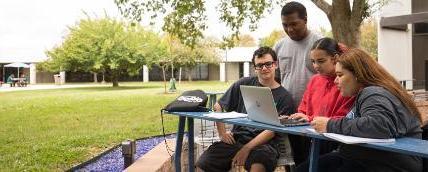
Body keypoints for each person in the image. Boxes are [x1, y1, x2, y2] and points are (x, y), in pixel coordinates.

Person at [300, 48, 424, 172]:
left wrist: (329, 124)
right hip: (367, 159)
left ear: (358, 75)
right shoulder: (371, 92)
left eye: (340, 75)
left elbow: (379, 125)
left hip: (384, 164)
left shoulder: (373, 92)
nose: (335, 80)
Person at [196, 47, 295, 172]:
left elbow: (272, 130)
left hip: (265, 145)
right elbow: (218, 106)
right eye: (259, 65)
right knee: (204, 162)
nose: (264, 68)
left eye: (268, 64)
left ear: (275, 64)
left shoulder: (285, 97)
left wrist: (246, 148)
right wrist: (222, 133)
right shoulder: (244, 83)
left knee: (259, 164)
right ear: (255, 68)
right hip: (236, 139)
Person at [285, 38, 356, 165]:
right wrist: (295, 117)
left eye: (321, 61)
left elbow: (343, 118)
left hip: (332, 141)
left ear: (335, 58)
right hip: (309, 137)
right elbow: (303, 108)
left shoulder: (347, 82)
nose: (316, 66)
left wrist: (309, 118)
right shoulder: (314, 80)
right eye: (313, 62)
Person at [274, 1, 322, 107]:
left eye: (294, 24)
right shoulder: (279, 46)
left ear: (305, 20)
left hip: (313, 109)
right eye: (285, 25)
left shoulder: (320, 43)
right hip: (285, 109)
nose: (289, 29)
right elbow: (275, 79)